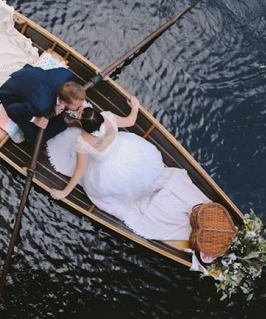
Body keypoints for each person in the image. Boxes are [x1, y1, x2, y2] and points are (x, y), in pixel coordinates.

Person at [47, 96, 211, 240]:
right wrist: (135, 106)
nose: (81, 109)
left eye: (82, 113)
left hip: (109, 172)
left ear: (84, 126)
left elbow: (79, 172)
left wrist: (64, 192)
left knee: (100, 186)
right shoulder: (108, 117)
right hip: (131, 154)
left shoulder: (82, 140)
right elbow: (131, 121)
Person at [0, 64, 86, 143]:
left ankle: (62, 116)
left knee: (50, 109)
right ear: (63, 102)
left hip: (30, 76)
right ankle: (64, 122)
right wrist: (34, 119)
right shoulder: (40, 106)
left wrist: (58, 106)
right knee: (37, 137)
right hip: (12, 94)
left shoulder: (67, 75)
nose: (80, 106)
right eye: (77, 105)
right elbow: (12, 110)